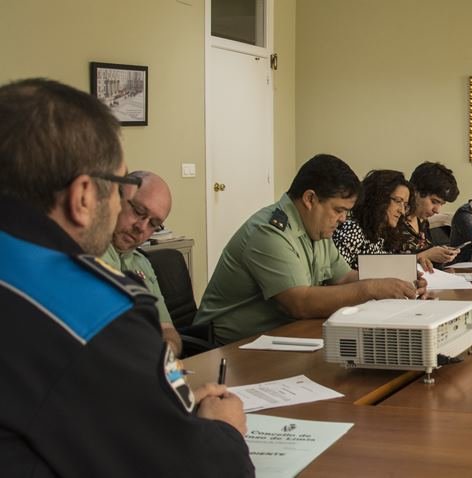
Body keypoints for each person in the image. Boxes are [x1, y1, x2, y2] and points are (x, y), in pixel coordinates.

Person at [0, 78, 252, 476]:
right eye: (120, 189)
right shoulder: (95, 310)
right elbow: (202, 469)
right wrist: (225, 430)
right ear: (84, 196)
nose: (121, 207)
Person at [195, 155, 427, 345]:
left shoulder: (316, 228)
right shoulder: (269, 232)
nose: (343, 219)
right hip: (231, 348)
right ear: (310, 199)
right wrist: (372, 288)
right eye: (338, 210)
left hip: (282, 337)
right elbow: (300, 303)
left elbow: (343, 276)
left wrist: (398, 280)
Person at [99, 170, 183, 355]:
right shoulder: (86, 252)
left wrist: (167, 350)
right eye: (138, 211)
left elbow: (167, 329)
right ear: (115, 199)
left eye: (153, 224)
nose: (141, 227)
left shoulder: (142, 263)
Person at [333, 169, 412, 270]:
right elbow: (337, 275)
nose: (402, 211)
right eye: (397, 201)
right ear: (379, 198)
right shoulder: (352, 230)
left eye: (405, 205)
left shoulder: (385, 232)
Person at [396, 161, 460, 271]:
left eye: (441, 204)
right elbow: (388, 265)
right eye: (434, 202)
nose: (437, 210)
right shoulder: (394, 220)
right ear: (415, 191)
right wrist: (427, 254)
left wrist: (442, 255)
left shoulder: (422, 222)